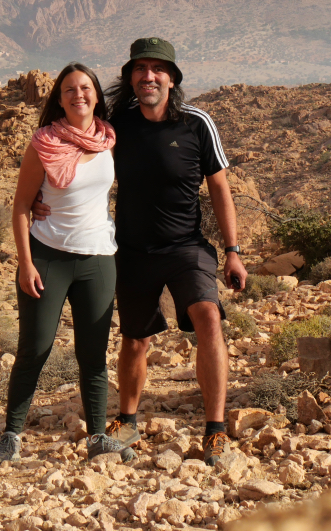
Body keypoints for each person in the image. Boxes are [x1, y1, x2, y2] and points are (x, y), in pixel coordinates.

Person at [35, 37, 248, 466]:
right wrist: (42, 199)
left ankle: (215, 430)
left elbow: (220, 188)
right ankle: (127, 419)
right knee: (135, 339)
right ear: (131, 78)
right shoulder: (118, 124)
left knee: (207, 316)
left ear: (172, 78)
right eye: (139, 69)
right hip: (131, 249)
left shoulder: (196, 123)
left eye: (157, 69)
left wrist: (233, 250)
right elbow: (68, 146)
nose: (148, 76)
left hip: (186, 245)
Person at [0, 62, 131, 465]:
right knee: (34, 348)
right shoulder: (44, 143)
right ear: (59, 99)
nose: (78, 95)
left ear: (97, 95)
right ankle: (12, 435)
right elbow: (19, 206)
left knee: (93, 353)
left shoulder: (109, 139)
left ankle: (98, 435)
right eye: (69, 89)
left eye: (85, 88)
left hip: (98, 257)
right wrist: (26, 264)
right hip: (48, 256)